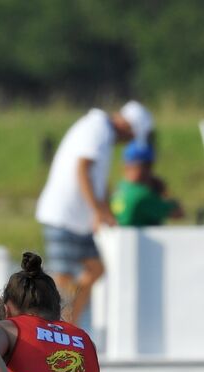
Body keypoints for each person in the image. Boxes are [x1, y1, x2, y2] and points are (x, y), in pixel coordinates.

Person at [35, 101, 153, 323]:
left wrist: (104, 210)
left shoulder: (103, 133)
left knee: (95, 269)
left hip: (77, 221)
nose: (127, 141)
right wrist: (98, 210)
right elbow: (82, 169)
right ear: (128, 127)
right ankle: (56, 329)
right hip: (63, 216)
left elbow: (99, 180)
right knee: (63, 279)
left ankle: (68, 323)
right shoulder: (97, 128)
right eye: (131, 135)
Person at [111, 141, 183, 227]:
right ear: (147, 167)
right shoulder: (142, 195)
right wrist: (164, 191)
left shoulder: (118, 188)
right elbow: (178, 213)